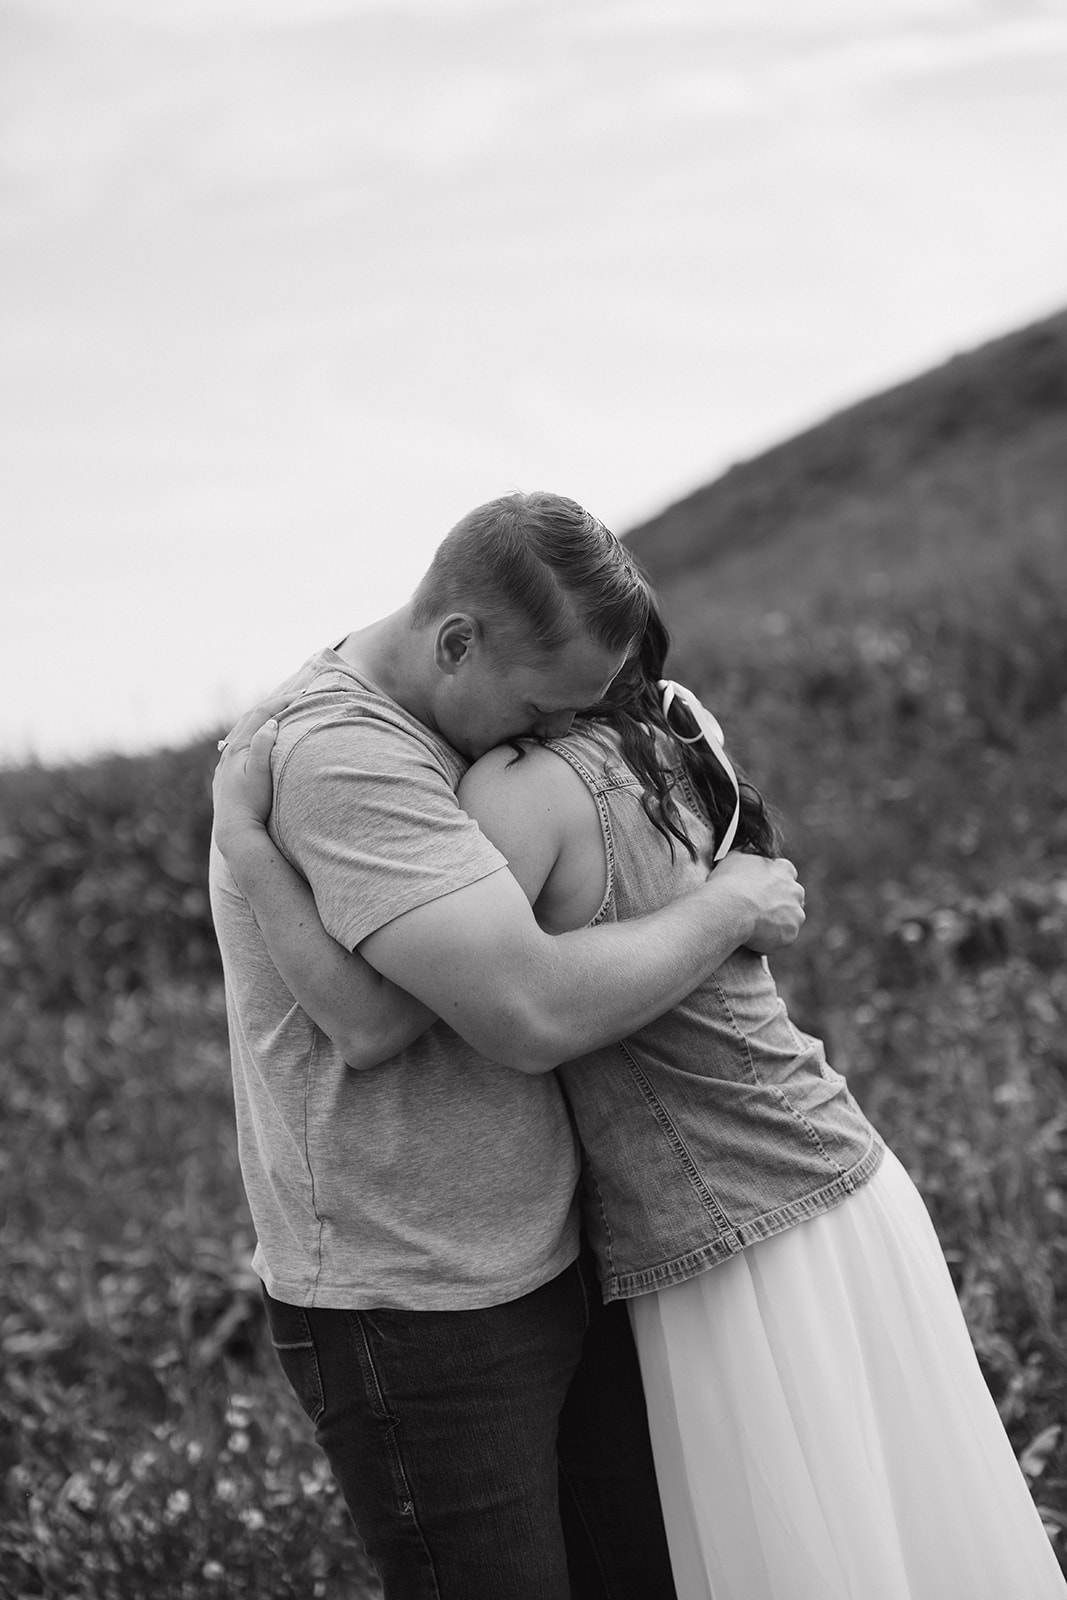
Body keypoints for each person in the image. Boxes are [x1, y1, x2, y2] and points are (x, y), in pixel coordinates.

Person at [215, 596, 1067, 1600]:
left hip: (734, 1231)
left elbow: (384, 1018)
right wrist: (731, 900)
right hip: (840, 1181)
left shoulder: (513, 785)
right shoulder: (676, 730)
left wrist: (248, 848)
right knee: (902, 1548)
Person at [208, 490, 807, 1600]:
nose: (546, 741)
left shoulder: (453, 720)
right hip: (416, 1303)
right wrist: (728, 908)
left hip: (546, 1258)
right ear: (455, 640)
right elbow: (480, 1015)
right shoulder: (345, 756)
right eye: (539, 708)